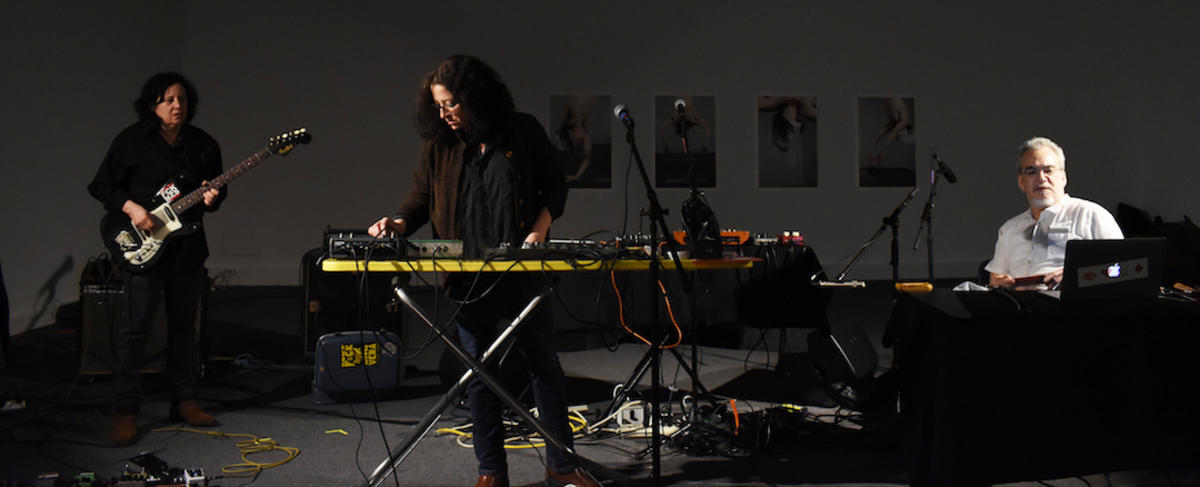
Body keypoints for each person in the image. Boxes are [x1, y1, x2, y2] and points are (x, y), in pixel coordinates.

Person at [367, 55, 596, 487]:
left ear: (476, 98)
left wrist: (539, 230)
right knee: (479, 372)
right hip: (466, 279)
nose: (444, 114)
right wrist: (396, 222)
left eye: (451, 104)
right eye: (438, 105)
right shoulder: (439, 145)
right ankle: (491, 472)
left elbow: (555, 185)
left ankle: (561, 468)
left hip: (522, 276)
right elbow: (418, 200)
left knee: (543, 367)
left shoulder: (522, 130)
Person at [88, 72, 223, 444]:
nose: (177, 105)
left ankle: (185, 400)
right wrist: (132, 208)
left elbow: (213, 196)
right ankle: (126, 410)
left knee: (184, 329)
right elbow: (101, 186)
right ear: (152, 105)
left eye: (181, 99)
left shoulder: (203, 145)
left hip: (187, 250)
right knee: (134, 331)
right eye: (168, 100)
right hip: (143, 245)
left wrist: (213, 197)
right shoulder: (131, 142)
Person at [986, 137, 1124, 289]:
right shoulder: (1010, 229)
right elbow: (996, 279)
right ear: (1021, 182)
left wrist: (1075, 276)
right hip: (1021, 308)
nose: (1041, 178)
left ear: (1063, 178)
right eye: (1031, 171)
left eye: (1048, 170)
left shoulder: (1090, 215)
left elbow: (1123, 269)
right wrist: (1000, 283)